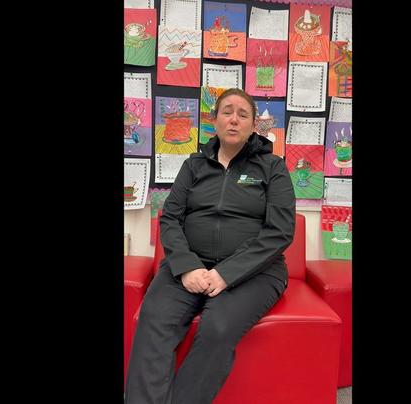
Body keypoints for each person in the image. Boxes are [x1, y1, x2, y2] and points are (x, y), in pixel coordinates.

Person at [125, 88, 296, 404]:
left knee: (218, 327)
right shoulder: (193, 165)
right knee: (154, 318)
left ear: (253, 125)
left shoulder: (273, 167)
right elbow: (170, 218)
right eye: (227, 112)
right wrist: (187, 266)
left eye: (243, 114)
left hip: (256, 273)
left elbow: (280, 231)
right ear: (214, 120)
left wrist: (226, 273)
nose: (234, 119)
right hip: (189, 265)